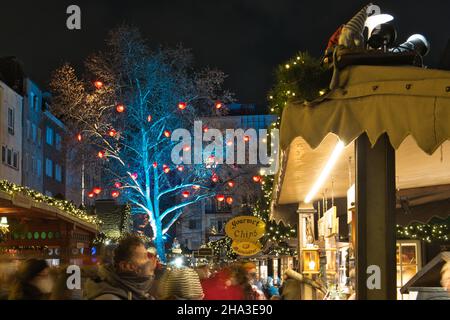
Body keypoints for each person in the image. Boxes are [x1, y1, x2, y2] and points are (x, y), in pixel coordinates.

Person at [84, 234, 157, 300]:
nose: (151, 260)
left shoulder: (135, 290)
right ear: (127, 266)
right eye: (145, 257)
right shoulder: (109, 298)